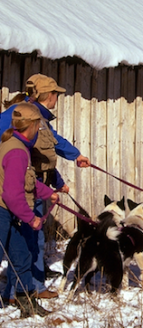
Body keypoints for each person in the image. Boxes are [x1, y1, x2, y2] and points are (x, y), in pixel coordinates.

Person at [0, 74, 90, 302]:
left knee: (30, 240)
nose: (56, 98)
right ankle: (21, 290)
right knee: (21, 240)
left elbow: (47, 150)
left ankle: (27, 288)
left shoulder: (38, 118)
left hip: (35, 184)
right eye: (55, 94)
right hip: (19, 189)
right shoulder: (18, 117)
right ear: (47, 95)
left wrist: (71, 161)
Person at [0, 102, 59, 317]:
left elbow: (27, 182)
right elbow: (12, 194)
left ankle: (27, 303)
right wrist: (30, 218)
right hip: (4, 212)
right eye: (39, 125)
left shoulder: (16, 144)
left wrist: (47, 193)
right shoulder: (17, 152)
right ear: (32, 125)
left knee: (22, 256)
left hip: (10, 211)